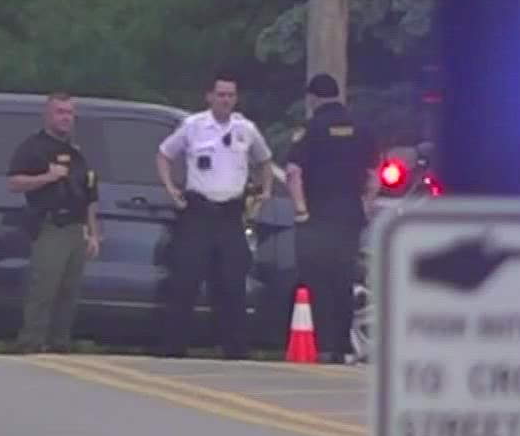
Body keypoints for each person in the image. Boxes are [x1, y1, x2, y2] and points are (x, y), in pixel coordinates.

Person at [155, 69, 273, 359]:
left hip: (230, 215)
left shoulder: (245, 129)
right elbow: (164, 155)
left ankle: (234, 348)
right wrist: (170, 188)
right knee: (186, 280)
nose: (225, 100)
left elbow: (265, 160)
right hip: (198, 213)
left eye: (230, 95)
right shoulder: (193, 126)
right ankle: (174, 347)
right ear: (209, 96)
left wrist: (265, 191)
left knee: (233, 282)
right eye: (220, 95)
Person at [284, 72, 381, 363]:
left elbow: (293, 172)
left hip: (318, 219)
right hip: (349, 218)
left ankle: (323, 346)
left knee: (318, 282)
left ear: (313, 98)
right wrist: (365, 205)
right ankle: (343, 347)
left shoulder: (310, 129)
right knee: (343, 282)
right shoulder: (362, 129)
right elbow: (374, 176)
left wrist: (301, 210)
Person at [7, 91, 101, 353]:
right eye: (60, 112)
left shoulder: (77, 153)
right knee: (45, 288)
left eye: (70, 113)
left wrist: (93, 233)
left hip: (76, 228)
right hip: (51, 226)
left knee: (68, 292)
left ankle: (60, 344)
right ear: (47, 115)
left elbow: (90, 195)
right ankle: (31, 342)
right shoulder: (34, 147)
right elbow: (14, 182)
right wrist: (47, 177)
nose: (66, 118)